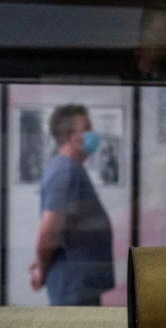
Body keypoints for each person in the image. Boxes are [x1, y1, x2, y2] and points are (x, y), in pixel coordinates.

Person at [29, 104, 114, 305]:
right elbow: (49, 231)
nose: (93, 136)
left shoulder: (72, 169)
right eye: (87, 130)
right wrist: (42, 267)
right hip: (73, 286)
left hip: (81, 284)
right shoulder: (64, 171)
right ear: (69, 136)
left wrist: (42, 263)